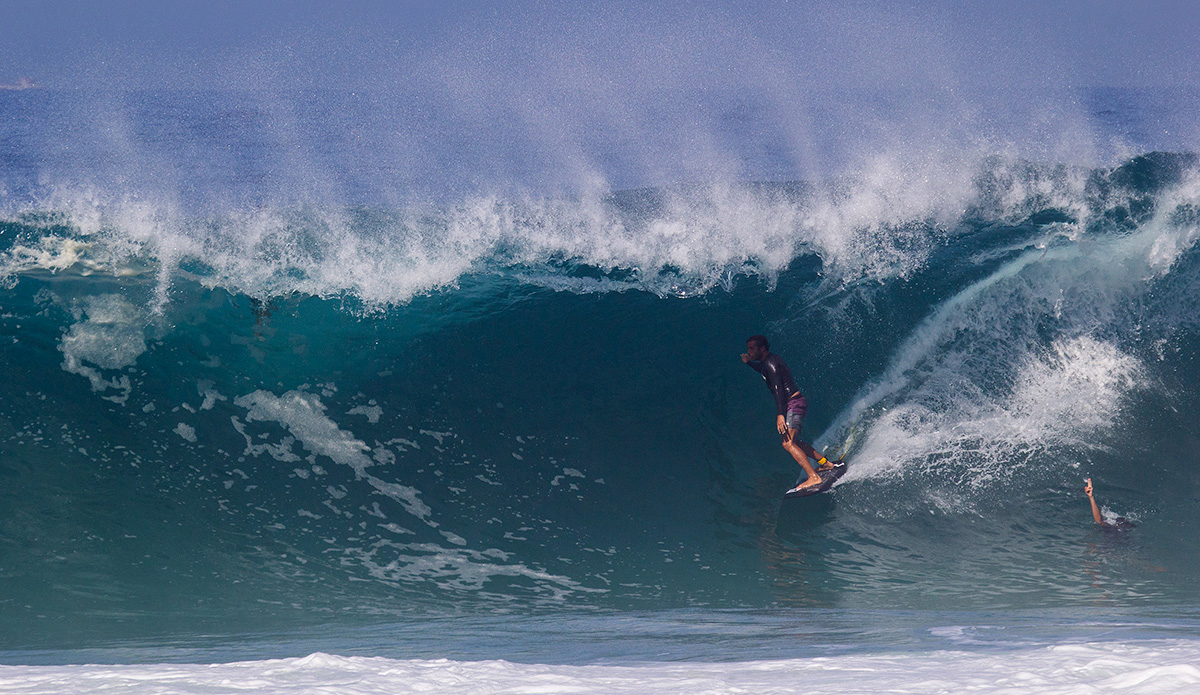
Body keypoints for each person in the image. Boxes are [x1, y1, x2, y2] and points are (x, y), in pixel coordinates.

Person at [741, 335, 835, 493]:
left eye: (752, 349)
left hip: (793, 403)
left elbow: (778, 389)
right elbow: (762, 370)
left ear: (762, 348)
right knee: (794, 442)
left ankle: (813, 477)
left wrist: (780, 414)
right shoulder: (768, 362)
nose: (749, 352)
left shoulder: (771, 364)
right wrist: (749, 363)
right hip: (794, 402)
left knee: (788, 444)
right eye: (748, 349)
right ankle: (825, 463)